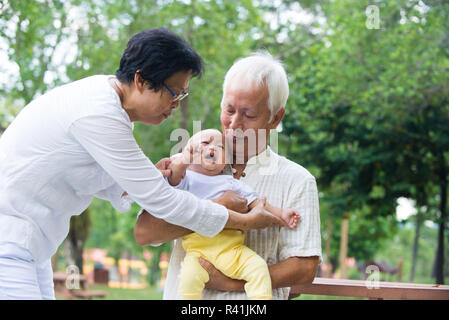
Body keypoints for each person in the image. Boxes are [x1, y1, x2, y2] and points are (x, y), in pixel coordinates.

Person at [0, 29, 283, 300]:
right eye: (174, 93)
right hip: (10, 241)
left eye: (182, 95)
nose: (177, 105)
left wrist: (153, 175)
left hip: (31, 244)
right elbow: (162, 202)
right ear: (141, 80)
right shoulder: (98, 113)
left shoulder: (109, 107)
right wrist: (242, 219)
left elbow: (109, 182)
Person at [134, 52, 322, 300]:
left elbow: (304, 267)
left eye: (249, 114)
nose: (234, 123)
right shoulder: (187, 166)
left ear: (275, 118)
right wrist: (220, 207)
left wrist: (232, 283)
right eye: (229, 110)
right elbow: (145, 233)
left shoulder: (297, 180)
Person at [166, 129, 299, 300]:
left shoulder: (231, 182)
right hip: (197, 252)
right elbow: (173, 179)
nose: (212, 148)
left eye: (221, 147)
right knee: (188, 278)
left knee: (258, 268)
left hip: (231, 250)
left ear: (225, 163)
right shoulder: (186, 179)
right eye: (205, 143)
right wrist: (183, 159)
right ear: (190, 152)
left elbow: (257, 203)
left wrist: (282, 214)